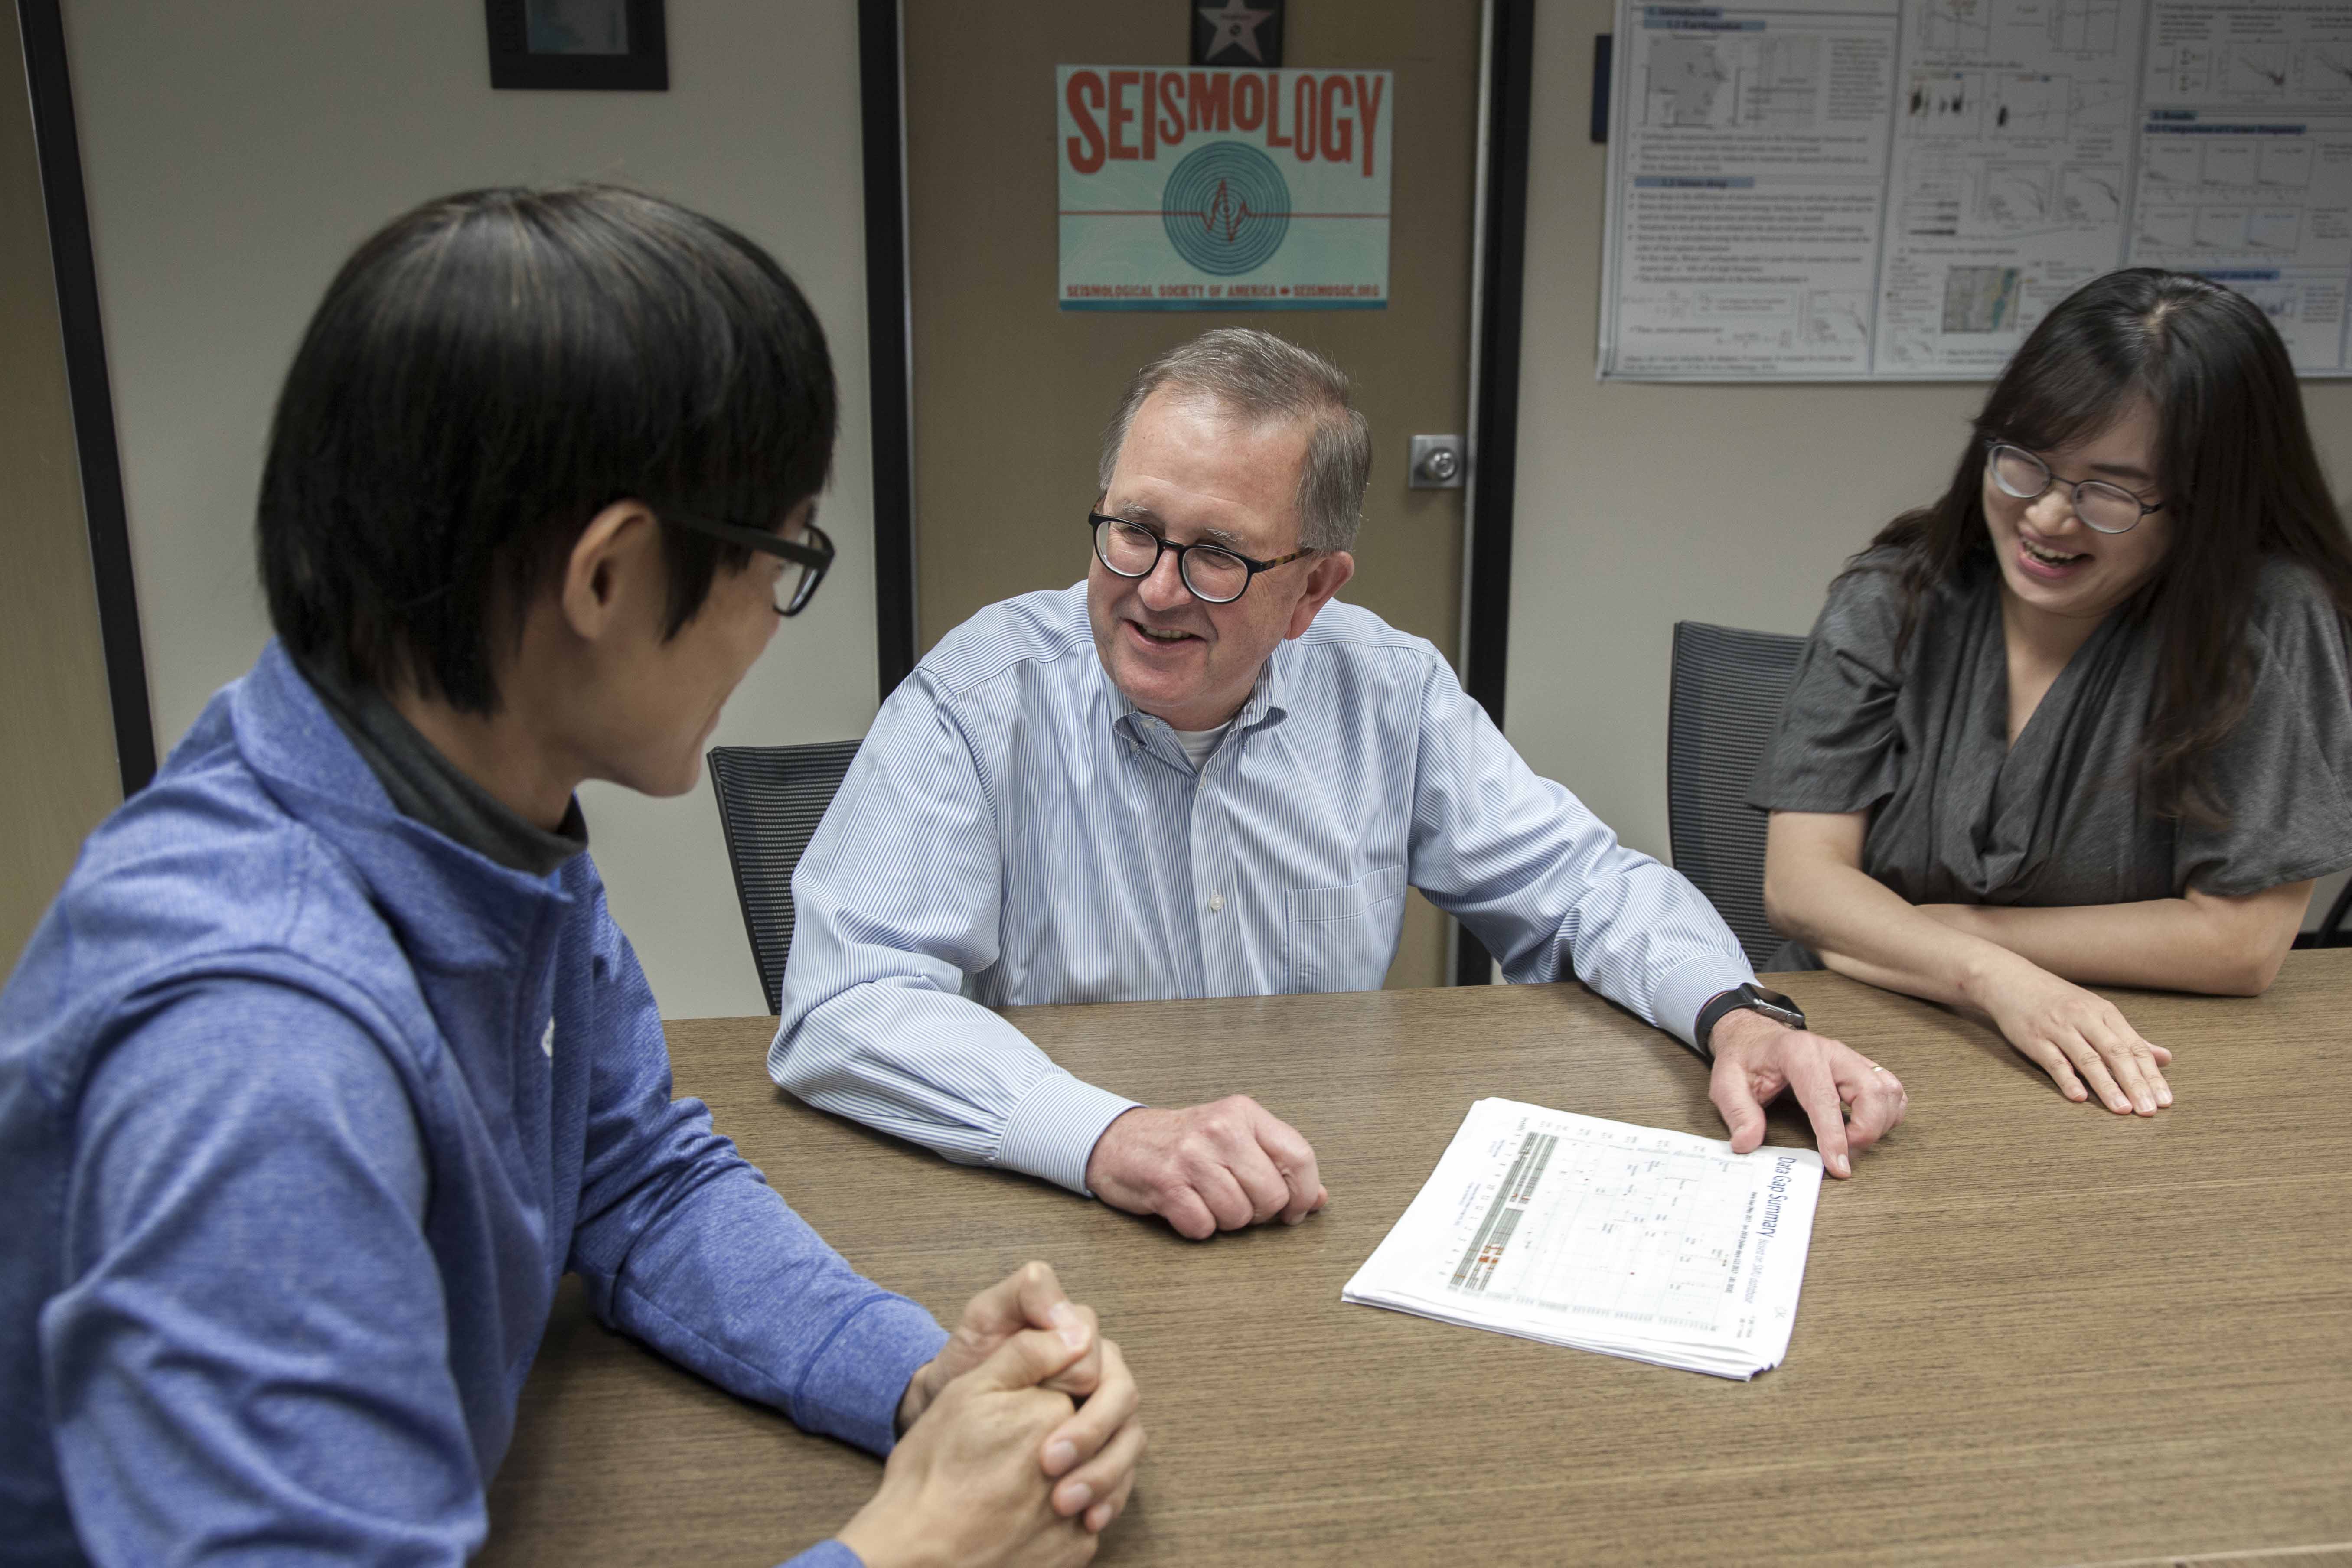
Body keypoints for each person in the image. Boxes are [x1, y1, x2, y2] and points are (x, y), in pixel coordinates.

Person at [0, 186, 1142, 1568]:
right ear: (608, 576)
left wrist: (914, 1380)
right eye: (781, 559)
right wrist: (913, 1549)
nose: (773, 622)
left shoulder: (462, 810)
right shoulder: (258, 1058)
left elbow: (635, 1173)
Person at [773, 328, 1907, 1242]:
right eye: (1132, 530)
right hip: (1057, 1211)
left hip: (1317, 1198)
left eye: (1216, 554)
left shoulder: (1385, 689)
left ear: (1312, 590)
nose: (1154, 589)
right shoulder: (979, 699)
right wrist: (1104, 1134)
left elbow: (1582, 892)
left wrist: (1737, 1015)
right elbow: (844, 1003)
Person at [1755, 268, 2352, 1119]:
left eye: (2106, 491)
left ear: (2204, 504)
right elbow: (1801, 888)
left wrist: (1921, 933)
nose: (2045, 517)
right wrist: (1996, 980)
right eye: (2023, 462)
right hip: (1854, 1038)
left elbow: (2240, 944)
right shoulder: (1895, 593)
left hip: (2130, 1067)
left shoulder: (2263, 619)